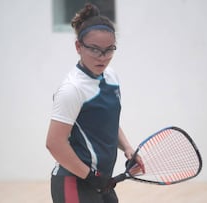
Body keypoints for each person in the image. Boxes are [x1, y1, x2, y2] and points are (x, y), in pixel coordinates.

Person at [46, 3, 143, 203]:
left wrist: (127, 148)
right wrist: (90, 176)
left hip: (100, 181)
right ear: (78, 47)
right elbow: (54, 143)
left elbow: (106, 123)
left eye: (109, 50)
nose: (103, 57)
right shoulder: (72, 89)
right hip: (73, 181)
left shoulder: (112, 77)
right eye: (95, 50)